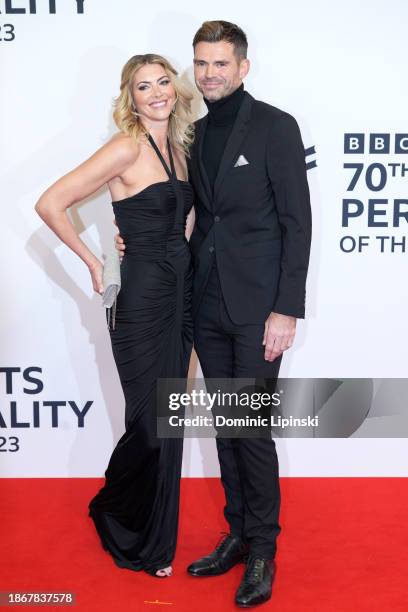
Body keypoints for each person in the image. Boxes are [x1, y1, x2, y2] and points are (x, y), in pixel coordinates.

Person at [116, 20, 312, 607]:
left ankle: (262, 551)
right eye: (201, 64)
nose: (209, 74)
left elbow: (296, 224)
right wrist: (134, 241)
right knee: (226, 428)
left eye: (221, 64)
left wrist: (287, 308)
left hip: (259, 311)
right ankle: (237, 533)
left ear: (243, 67)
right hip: (203, 302)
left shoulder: (277, 127)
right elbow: (187, 211)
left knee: (250, 430)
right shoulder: (193, 135)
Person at [34, 54, 195, 578]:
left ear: (175, 87)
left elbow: (186, 221)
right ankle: (122, 517)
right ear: (130, 96)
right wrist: (95, 259)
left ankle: (151, 535)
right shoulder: (125, 147)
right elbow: (52, 202)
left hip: (182, 295)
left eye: (162, 82)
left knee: (169, 418)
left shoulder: (180, 146)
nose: (156, 94)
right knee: (150, 423)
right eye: (143, 86)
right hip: (142, 298)